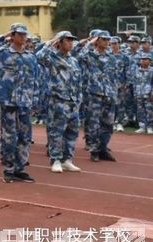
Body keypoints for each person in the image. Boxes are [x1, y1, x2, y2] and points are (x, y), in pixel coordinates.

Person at [0, 23, 39, 183]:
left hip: (25, 101)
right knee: (9, 137)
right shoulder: (2, 53)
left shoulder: (30, 57)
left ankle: (20, 168)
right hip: (7, 101)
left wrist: (35, 100)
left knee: (25, 136)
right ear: (12, 36)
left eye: (24, 35)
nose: (22, 37)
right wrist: (2, 37)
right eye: (19, 34)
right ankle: (8, 168)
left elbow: (35, 80)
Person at [36, 31, 83, 173]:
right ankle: (55, 159)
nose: (71, 43)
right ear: (60, 42)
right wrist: (51, 42)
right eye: (67, 40)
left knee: (72, 132)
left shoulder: (73, 60)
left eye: (72, 40)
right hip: (58, 100)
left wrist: (79, 98)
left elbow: (78, 81)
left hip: (73, 101)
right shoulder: (51, 58)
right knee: (56, 131)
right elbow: (39, 56)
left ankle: (67, 159)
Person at [76, 31, 119, 161]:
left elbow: (114, 76)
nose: (107, 42)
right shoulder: (89, 56)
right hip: (94, 95)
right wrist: (89, 42)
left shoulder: (111, 58)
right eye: (104, 39)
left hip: (109, 94)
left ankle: (103, 149)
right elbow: (78, 55)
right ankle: (94, 150)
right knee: (93, 124)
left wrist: (114, 93)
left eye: (108, 40)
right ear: (97, 41)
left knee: (108, 124)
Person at [132, 52, 153, 135]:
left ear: (150, 61)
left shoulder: (152, 71)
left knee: (149, 111)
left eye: (146, 59)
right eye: (142, 59)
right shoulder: (136, 70)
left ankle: (150, 127)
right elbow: (135, 82)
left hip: (148, 94)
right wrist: (134, 93)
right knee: (140, 111)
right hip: (139, 93)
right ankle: (142, 126)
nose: (144, 61)